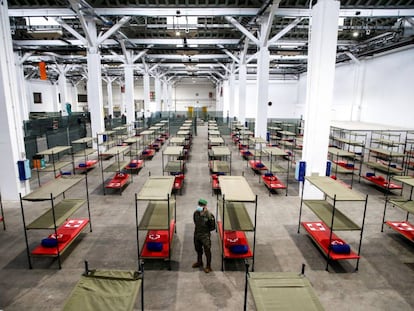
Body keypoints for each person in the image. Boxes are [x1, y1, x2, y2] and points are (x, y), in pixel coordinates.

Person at [192, 198, 215, 273]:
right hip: (197, 234)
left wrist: (205, 231)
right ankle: (199, 262)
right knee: (198, 249)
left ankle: (208, 266)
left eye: (202, 205)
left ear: (205, 206)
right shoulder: (195, 213)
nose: (200, 206)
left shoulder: (209, 215)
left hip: (205, 236)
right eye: (199, 204)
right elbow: (195, 222)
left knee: (207, 251)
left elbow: (212, 227)